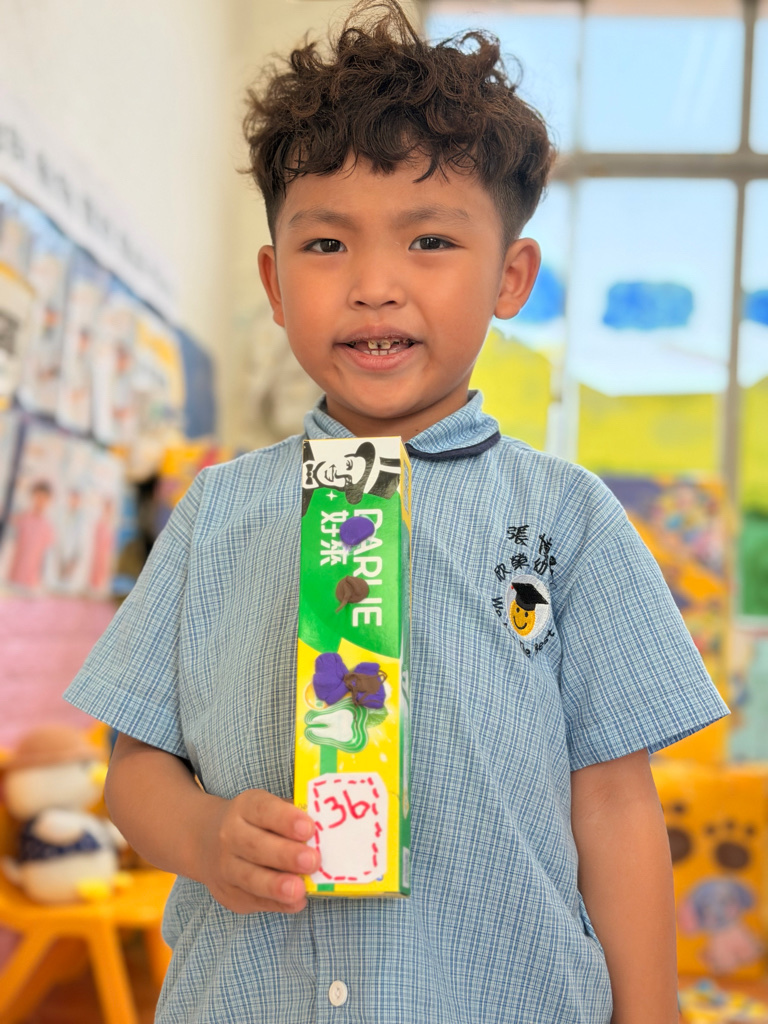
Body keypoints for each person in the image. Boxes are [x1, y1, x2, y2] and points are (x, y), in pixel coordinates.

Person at [64, 3, 728, 1021]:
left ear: (510, 277)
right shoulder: (214, 513)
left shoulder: (572, 521)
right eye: (327, 243)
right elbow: (136, 765)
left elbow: (614, 805)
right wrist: (202, 836)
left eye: (430, 240)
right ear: (274, 281)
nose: (375, 286)